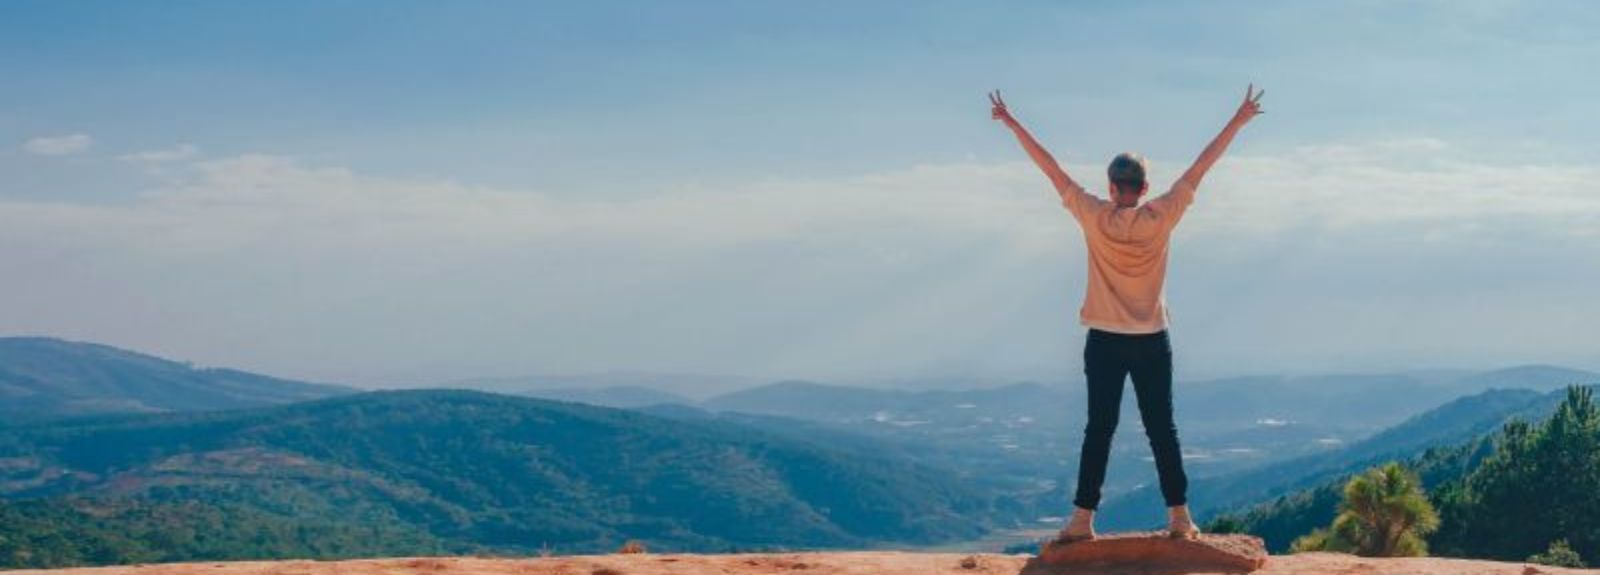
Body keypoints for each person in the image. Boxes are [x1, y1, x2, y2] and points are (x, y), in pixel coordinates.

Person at [989, 85, 1265, 541]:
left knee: (1099, 429)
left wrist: (1012, 122)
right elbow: (1202, 166)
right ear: (1145, 188)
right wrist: (1238, 119)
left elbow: (1051, 169)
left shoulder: (1093, 215)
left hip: (1104, 339)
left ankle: (1082, 520)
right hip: (1152, 338)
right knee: (1162, 428)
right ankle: (1180, 518)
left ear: (1112, 187)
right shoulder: (1163, 215)